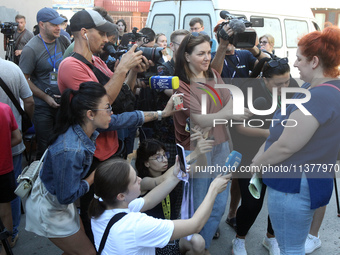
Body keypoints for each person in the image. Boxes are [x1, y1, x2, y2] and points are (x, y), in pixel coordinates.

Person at [250, 25, 340, 254]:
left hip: (294, 185)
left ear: (315, 61)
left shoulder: (320, 96)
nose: (295, 63)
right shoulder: (321, 88)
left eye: (299, 58)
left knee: (290, 248)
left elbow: (286, 146)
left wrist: (254, 166)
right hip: (302, 181)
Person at [173, 32, 252, 253]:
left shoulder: (215, 76)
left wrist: (227, 138)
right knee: (199, 203)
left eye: (209, 52)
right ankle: (192, 245)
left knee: (218, 202)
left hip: (221, 145)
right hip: (197, 149)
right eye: (201, 53)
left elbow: (227, 107)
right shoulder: (181, 84)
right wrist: (225, 112)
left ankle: (203, 246)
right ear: (187, 56)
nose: (207, 57)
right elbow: (199, 119)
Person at [89, 156, 231, 255]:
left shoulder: (104, 206)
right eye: (134, 180)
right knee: (196, 240)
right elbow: (195, 225)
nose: (140, 179)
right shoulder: (136, 225)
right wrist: (213, 189)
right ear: (121, 196)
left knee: (195, 242)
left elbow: (149, 200)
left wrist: (176, 177)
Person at [230, 57, 299, 255]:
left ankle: (271, 238)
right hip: (249, 155)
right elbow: (238, 127)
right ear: (264, 79)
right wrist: (269, 133)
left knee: (279, 201)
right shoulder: (247, 91)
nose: (285, 86)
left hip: (281, 153)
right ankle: (239, 240)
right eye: (279, 83)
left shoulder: (292, 86)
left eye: (287, 81)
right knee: (252, 204)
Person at [136, 138, 214, 255]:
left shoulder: (172, 174)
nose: (164, 160)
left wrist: (201, 152)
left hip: (172, 232)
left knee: (198, 243)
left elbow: (200, 167)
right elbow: (163, 180)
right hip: (154, 240)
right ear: (146, 163)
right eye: (158, 157)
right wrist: (195, 153)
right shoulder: (143, 182)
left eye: (165, 155)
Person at [19, 7, 70, 160]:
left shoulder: (63, 40)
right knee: (46, 148)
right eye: (54, 24)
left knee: (64, 145)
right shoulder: (31, 49)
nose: (58, 28)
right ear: (41, 24)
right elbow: (24, 79)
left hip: (63, 104)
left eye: (59, 24)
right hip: (43, 108)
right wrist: (46, 98)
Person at [0, 58, 34, 247]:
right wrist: (26, 123)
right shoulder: (12, 68)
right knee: (10, 191)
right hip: (11, 144)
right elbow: (28, 101)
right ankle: (10, 234)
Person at [0, 102, 22, 255]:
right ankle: (6, 247)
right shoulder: (4, 109)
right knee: (5, 209)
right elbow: (18, 138)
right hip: (4, 167)